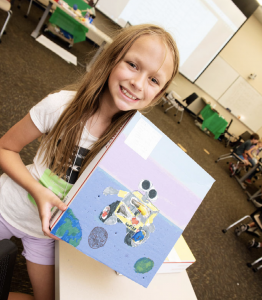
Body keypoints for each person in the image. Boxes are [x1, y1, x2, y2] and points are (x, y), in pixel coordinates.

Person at [0, 24, 179, 300]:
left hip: (47, 235)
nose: (138, 83)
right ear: (112, 58)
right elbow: (5, 148)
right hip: (8, 206)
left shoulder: (133, 146)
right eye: (133, 65)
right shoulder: (61, 106)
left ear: (159, 93)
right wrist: (37, 190)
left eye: (154, 80)